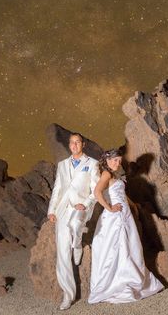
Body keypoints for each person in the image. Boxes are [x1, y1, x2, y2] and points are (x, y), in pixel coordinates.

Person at [88, 149, 164, 304]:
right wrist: (109, 207)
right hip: (116, 217)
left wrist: (132, 204)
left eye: (119, 160)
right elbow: (97, 192)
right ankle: (120, 282)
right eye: (114, 160)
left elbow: (121, 193)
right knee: (119, 247)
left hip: (126, 215)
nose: (118, 163)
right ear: (107, 161)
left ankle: (132, 277)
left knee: (130, 246)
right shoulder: (106, 174)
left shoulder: (115, 175)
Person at [47, 133, 100, 311]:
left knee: (76, 226)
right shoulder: (62, 165)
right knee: (62, 250)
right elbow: (57, 189)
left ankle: (77, 245)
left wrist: (84, 204)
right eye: (72, 143)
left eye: (78, 142)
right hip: (63, 209)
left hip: (81, 208)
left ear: (83, 144)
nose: (75, 145)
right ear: (69, 145)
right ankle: (67, 295)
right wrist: (52, 210)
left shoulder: (92, 164)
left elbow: (96, 190)